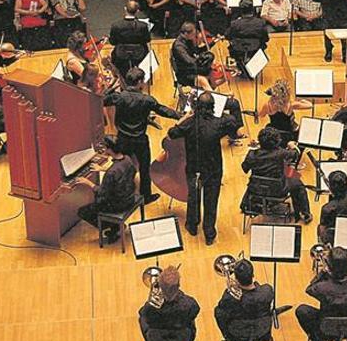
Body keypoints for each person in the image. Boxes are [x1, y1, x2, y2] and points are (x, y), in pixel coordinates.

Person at [167, 92, 242, 244]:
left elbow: (171, 134)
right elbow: (236, 131)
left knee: (193, 197)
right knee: (211, 200)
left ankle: (193, 226)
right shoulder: (221, 122)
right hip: (213, 168)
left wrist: (185, 117)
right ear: (213, 107)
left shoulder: (189, 123)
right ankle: (209, 233)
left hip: (194, 167)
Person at [104, 67, 181, 205]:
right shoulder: (147, 100)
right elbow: (163, 110)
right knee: (145, 169)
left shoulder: (119, 97)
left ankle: (124, 192)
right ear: (139, 82)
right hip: (140, 140)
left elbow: (102, 99)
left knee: (123, 165)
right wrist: (180, 116)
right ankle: (146, 196)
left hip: (122, 139)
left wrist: (111, 87)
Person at [295, 246, 347, 341]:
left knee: (301, 310)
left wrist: (323, 272)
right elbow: (345, 286)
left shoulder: (322, 288)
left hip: (326, 329)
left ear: (330, 267)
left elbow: (309, 289)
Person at [214, 259, 275, 341]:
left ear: (236, 279)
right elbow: (257, 294)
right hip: (262, 329)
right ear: (253, 275)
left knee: (218, 313)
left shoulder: (230, 297)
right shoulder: (267, 290)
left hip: (238, 332)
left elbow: (221, 311)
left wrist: (231, 290)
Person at [242, 126, 312, 223]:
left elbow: (244, 168)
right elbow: (295, 154)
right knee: (298, 183)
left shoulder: (252, 154)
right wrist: (292, 146)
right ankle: (305, 213)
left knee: (292, 174)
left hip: (257, 188)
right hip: (278, 189)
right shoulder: (282, 153)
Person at [76, 135, 137, 243]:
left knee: (83, 212)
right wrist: (102, 169)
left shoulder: (111, 173)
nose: (103, 149)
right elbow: (121, 171)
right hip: (130, 197)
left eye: (105, 147)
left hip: (118, 204)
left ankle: (114, 227)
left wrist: (88, 182)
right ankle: (115, 225)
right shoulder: (127, 159)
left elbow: (102, 193)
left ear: (109, 149)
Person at [138, 266, 201, 341]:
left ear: (160, 286)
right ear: (179, 285)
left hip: (157, 339)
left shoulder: (151, 306)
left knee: (142, 318)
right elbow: (195, 311)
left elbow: (143, 315)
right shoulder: (189, 303)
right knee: (190, 322)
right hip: (182, 338)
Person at [226, 0, 269, 78]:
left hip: (238, 50)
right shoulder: (260, 23)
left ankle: (241, 66)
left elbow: (228, 36)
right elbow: (266, 38)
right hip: (256, 49)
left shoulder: (235, 23)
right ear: (252, 9)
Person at [108, 0, 151, 81]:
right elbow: (147, 40)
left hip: (121, 54)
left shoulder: (116, 25)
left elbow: (112, 42)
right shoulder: (143, 26)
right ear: (137, 11)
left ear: (125, 9)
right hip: (139, 54)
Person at [171, 22, 217, 91]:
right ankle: (209, 96)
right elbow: (190, 61)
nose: (195, 36)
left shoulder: (188, 40)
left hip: (189, 68)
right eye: (193, 34)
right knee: (202, 79)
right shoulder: (179, 46)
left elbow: (197, 51)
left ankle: (211, 90)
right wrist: (202, 59)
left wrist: (211, 44)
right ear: (186, 34)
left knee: (210, 70)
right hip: (184, 74)